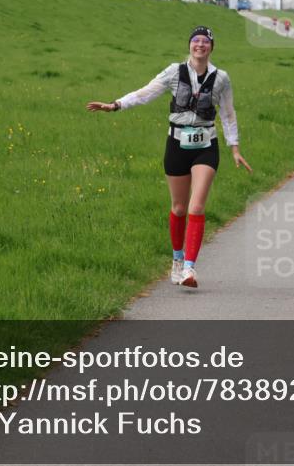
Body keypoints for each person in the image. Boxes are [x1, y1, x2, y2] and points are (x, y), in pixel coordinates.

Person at [86, 26, 252, 289]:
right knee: (179, 208)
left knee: (197, 207)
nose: (200, 45)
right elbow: (146, 92)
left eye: (205, 41)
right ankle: (176, 259)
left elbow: (228, 114)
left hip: (206, 145)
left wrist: (235, 148)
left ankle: (189, 268)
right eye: (196, 40)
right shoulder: (174, 71)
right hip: (176, 143)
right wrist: (116, 104)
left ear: (211, 47)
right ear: (189, 45)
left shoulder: (221, 78)